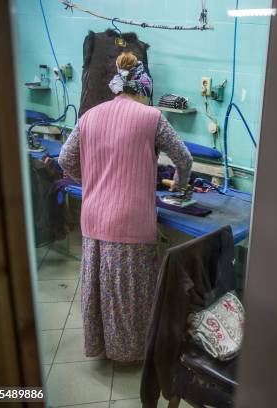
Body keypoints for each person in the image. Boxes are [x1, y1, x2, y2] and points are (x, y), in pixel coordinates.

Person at [58, 52, 193, 363]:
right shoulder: (152, 118)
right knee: (127, 295)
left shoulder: (88, 117)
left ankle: (101, 348)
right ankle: (129, 355)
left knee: (100, 289)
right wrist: (180, 184)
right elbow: (183, 159)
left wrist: (90, 179)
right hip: (130, 222)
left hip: (93, 219)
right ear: (144, 87)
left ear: (117, 85)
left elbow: (66, 161)